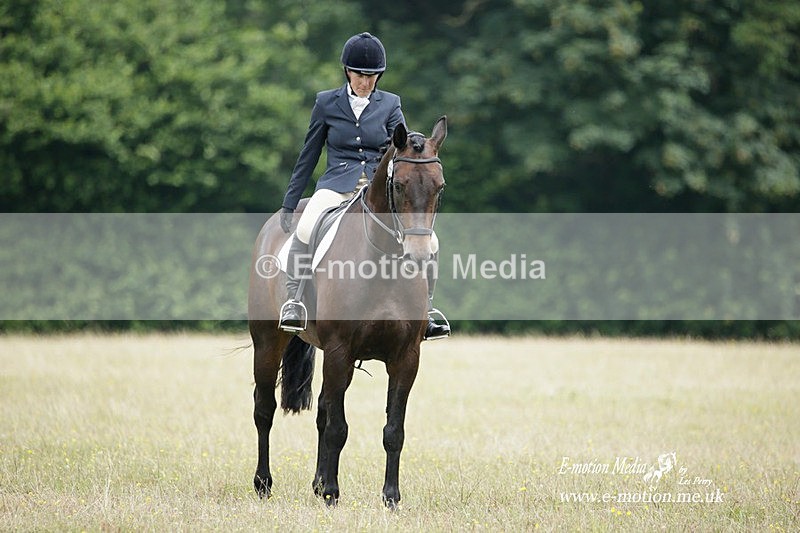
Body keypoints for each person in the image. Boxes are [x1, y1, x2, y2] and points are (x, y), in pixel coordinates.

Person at [278, 32, 450, 340]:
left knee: (431, 242)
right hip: (336, 185)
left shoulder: (390, 104)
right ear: (347, 71)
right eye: (360, 75)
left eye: (372, 76)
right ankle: (294, 303)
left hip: (376, 189)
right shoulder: (326, 102)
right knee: (305, 229)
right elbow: (309, 155)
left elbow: (403, 147)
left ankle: (429, 308)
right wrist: (291, 202)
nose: (365, 82)